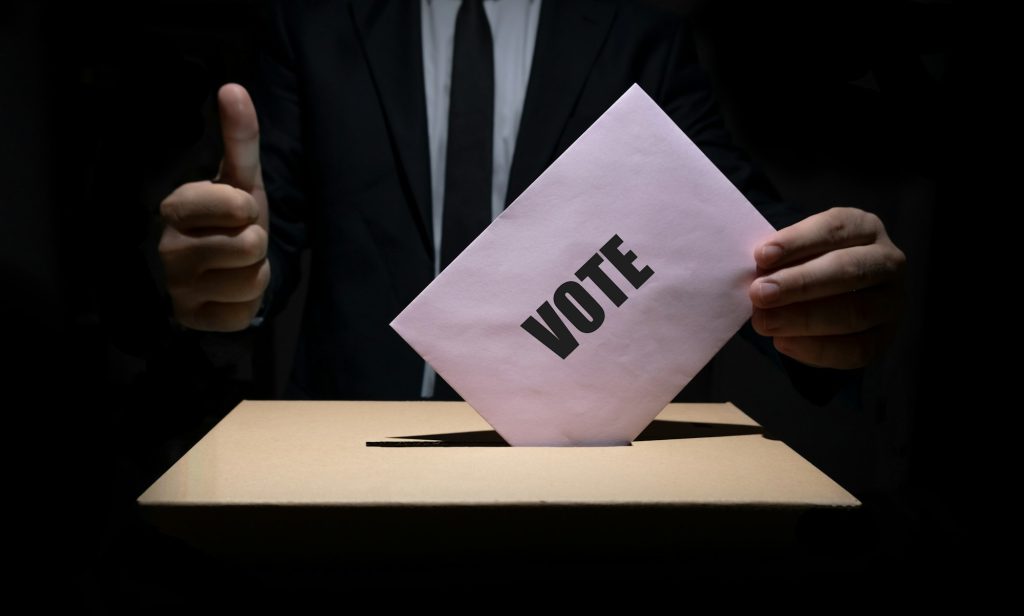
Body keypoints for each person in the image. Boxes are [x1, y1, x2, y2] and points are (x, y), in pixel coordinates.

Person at [157, 0, 905, 400]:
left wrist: (828, 290)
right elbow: (263, 235)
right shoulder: (314, 23)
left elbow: (733, 230)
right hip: (356, 437)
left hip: (582, 464)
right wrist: (229, 277)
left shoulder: (638, 34)